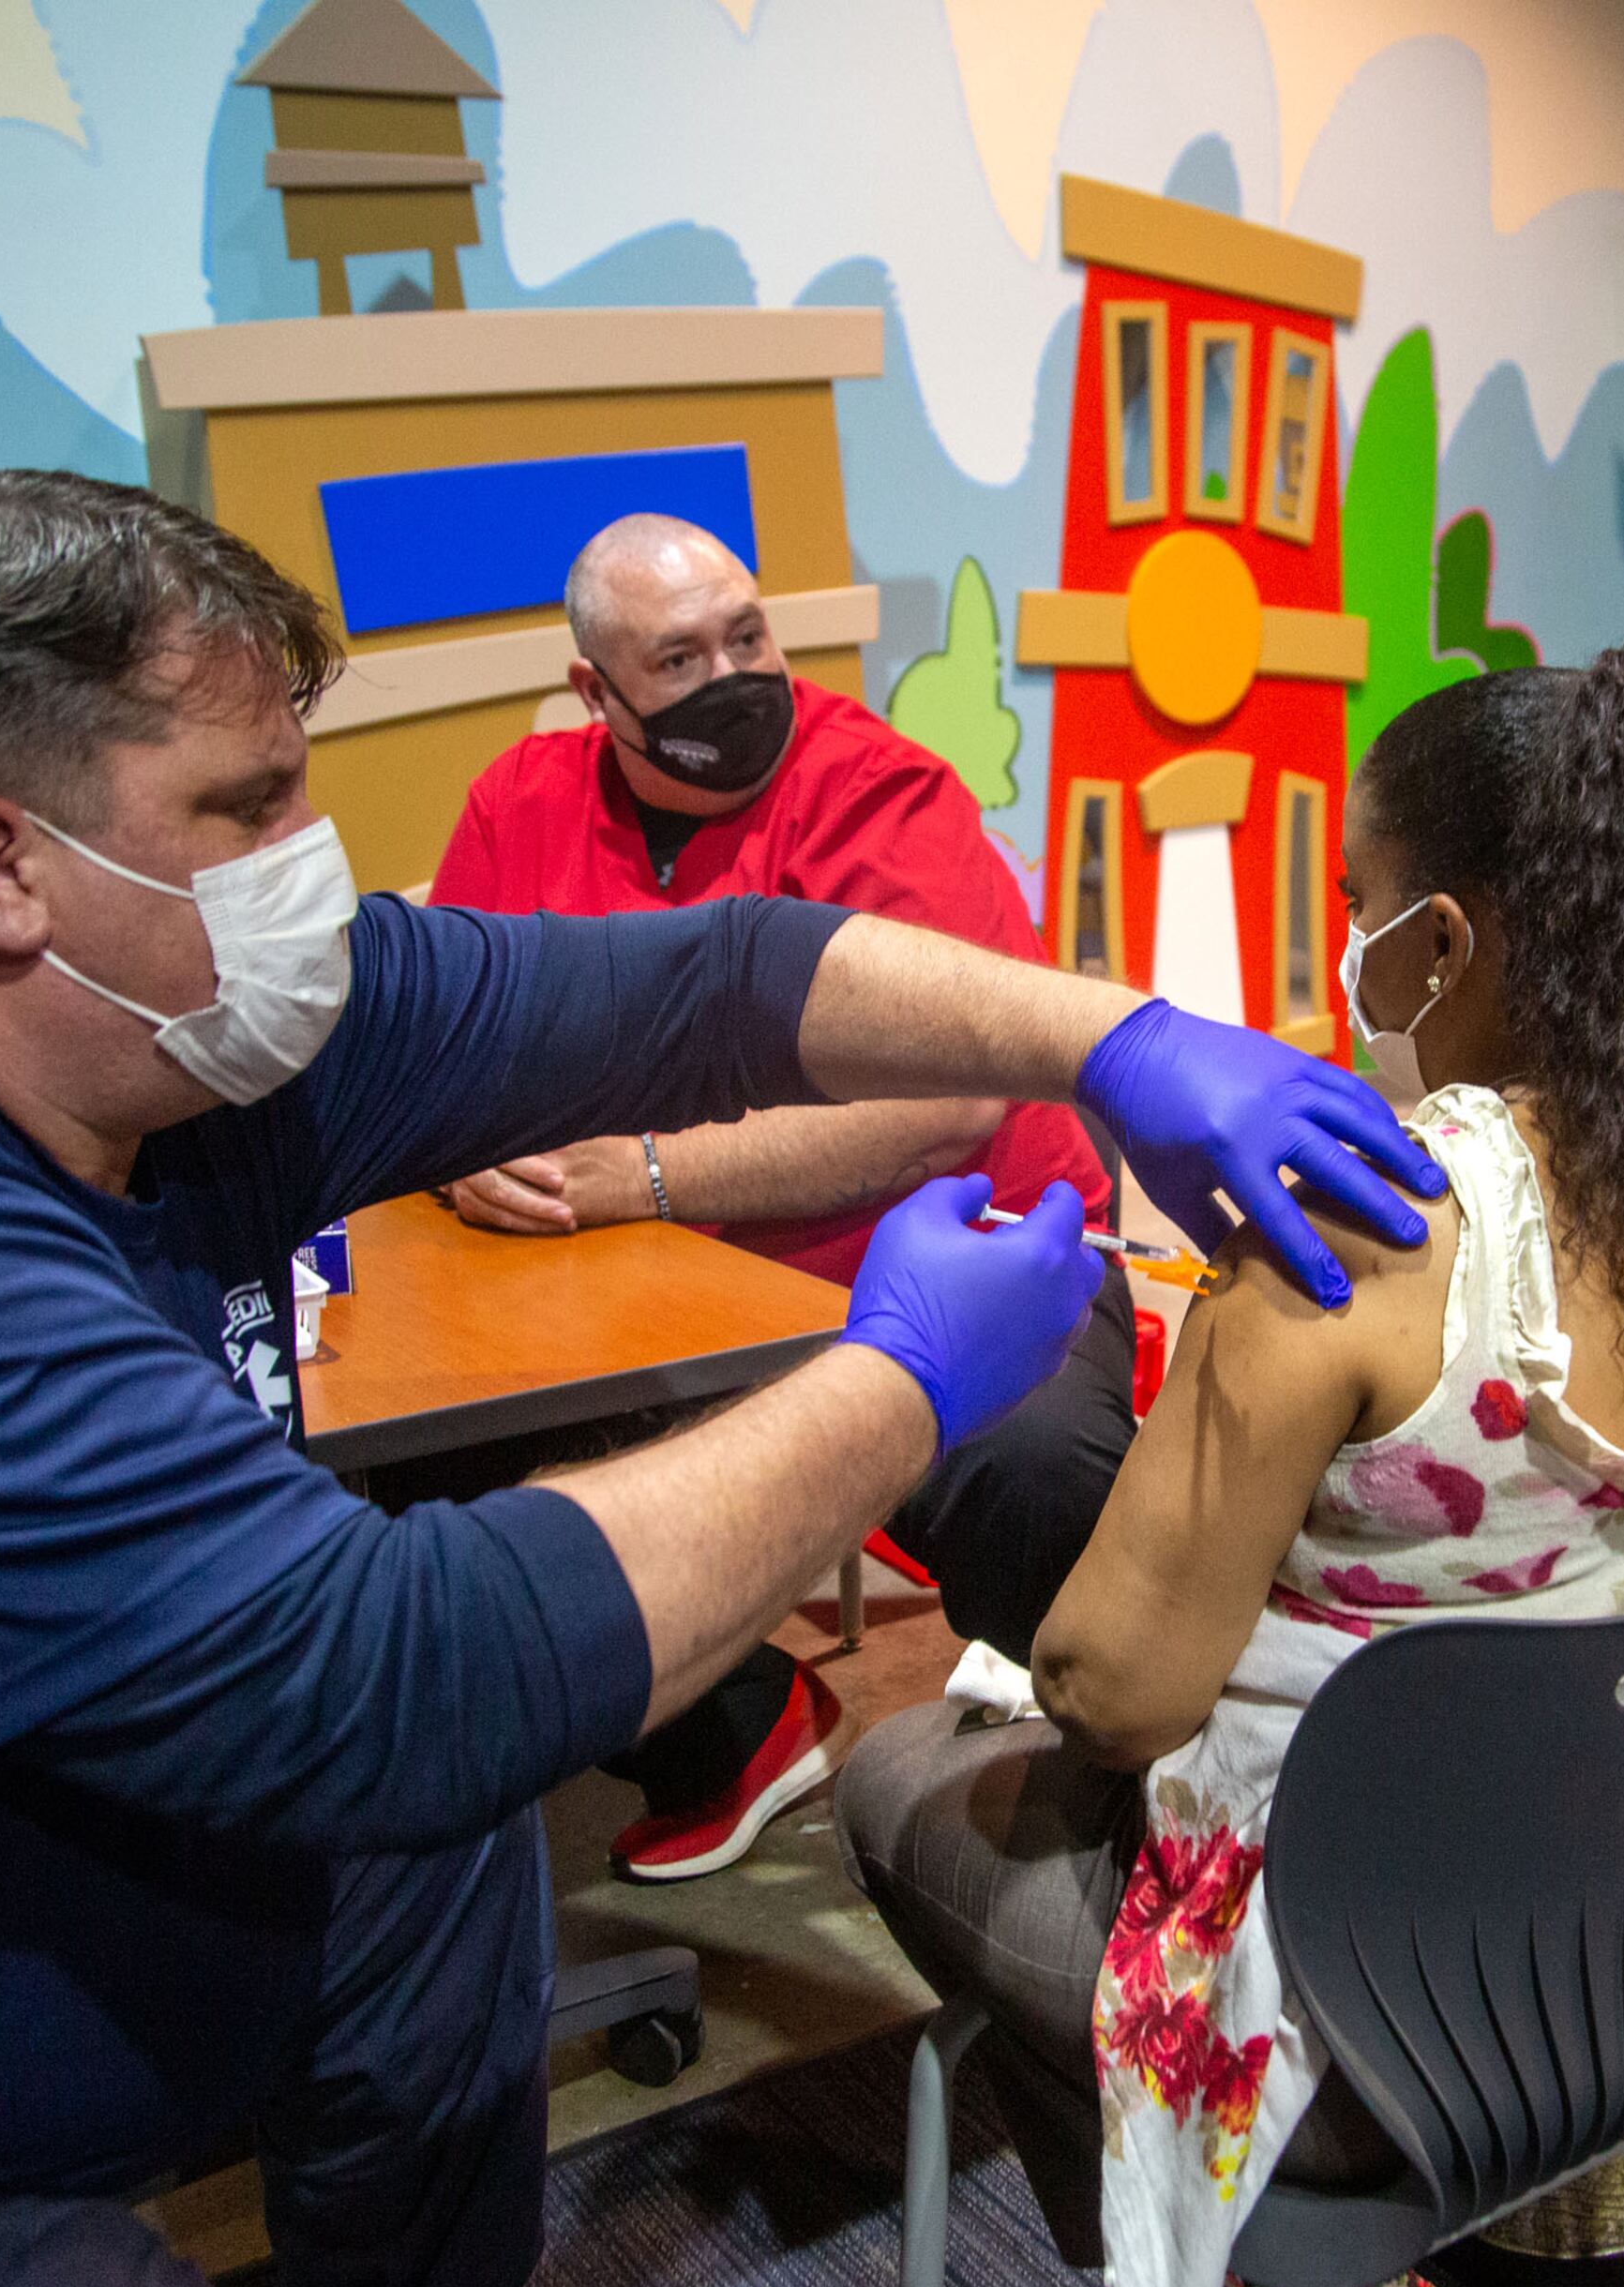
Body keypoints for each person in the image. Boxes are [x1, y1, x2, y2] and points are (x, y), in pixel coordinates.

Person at [0, 468, 1444, 2287]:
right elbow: (388, 1667)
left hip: (70, 1890)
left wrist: (1106, 1041)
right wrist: (903, 1379)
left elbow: (718, 976)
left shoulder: (144, 1038)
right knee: (423, 1748)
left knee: (430, 1854)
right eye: (249, 807)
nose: (310, 857)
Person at [834, 641, 1624, 2287]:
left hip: (1377, 2016)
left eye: (1360, 904)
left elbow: (1117, 1691)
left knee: (897, 1777)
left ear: (1448, 940)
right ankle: (1528, 2198)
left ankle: (1198, 2282)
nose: (1344, 951)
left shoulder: (1356, 1227)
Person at [425, 515, 1126, 1883]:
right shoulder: (519, 804)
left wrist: (642, 1173)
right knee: (449, 1459)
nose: (734, 676)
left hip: (965, 1254)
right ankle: (730, 1727)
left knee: (1035, 1466)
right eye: (679, 658)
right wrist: (459, 1139)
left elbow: (944, 1108)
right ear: (595, 694)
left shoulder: (882, 796)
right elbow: (447, 1037)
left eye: (747, 634)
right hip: (645, 1289)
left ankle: (1119, 1790)